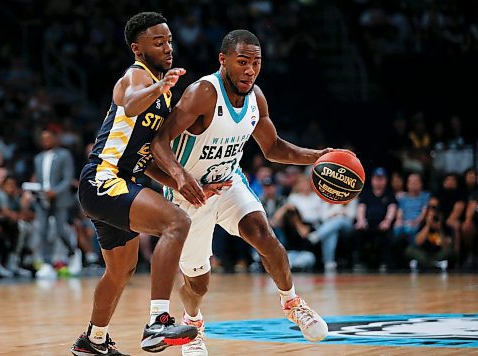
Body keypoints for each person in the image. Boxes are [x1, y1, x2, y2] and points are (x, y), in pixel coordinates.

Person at [152, 29, 350, 355]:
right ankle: (194, 322)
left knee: (263, 233)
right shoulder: (202, 93)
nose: (249, 70)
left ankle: (292, 303)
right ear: (223, 60)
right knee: (198, 282)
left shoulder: (256, 98)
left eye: (256, 63)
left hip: (228, 183)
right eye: (242, 62)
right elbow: (158, 141)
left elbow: (272, 147)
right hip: (189, 195)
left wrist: (316, 156)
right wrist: (180, 177)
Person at [71, 12, 228, 355]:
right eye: (158, 42)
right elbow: (128, 104)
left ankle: (93, 341)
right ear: (137, 49)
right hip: (104, 179)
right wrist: (160, 85)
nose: (168, 47)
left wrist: (186, 181)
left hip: (117, 184)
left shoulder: (162, 92)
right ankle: (158, 321)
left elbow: (148, 158)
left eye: (169, 40)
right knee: (177, 222)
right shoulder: (135, 77)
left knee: (120, 271)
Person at [33, 129, 80, 278]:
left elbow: (67, 179)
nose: (46, 141)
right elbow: (40, 179)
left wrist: (55, 191)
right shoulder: (38, 158)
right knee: (43, 231)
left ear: (55, 139)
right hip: (42, 199)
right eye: (43, 138)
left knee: (60, 230)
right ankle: (47, 263)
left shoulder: (64, 155)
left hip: (59, 199)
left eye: (49, 138)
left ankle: (73, 253)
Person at [354, 167, 397, 270]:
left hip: (382, 224)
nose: (379, 181)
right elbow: (361, 207)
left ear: (386, 180)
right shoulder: (366, 194)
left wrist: (387, 221)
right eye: (377, 179)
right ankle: (360, 262)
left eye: (381, 179)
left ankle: (384, 262)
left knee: (387, 234)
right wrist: (361, 220)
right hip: (368, 224)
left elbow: (392, 208)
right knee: (358, 231)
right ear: (372, 180)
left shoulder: (389, 194)